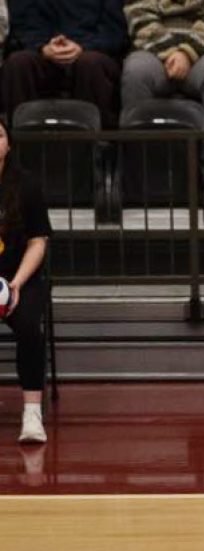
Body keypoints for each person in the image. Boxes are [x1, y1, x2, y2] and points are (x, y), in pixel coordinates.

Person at [0, 121, 51, 443]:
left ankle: (32, 413)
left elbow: (38, 242)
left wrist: (15, 284)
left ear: (8, 144)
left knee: (30, 327)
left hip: (21, 278)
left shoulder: (27, 185)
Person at [120, 0, 204, 131]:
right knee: (136, 71)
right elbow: (138, 13)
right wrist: (172, 53)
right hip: (152, 47)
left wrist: (187, 53)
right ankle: (138, 143)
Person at [2, 0, 127, 128]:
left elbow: (113, 32)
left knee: (91, 63)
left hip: (92, 48)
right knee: (18, 62)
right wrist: (42, 47)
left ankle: (99, 137)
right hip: (41, 48)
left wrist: (83, 46)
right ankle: (20, 136)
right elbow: (21, 27)